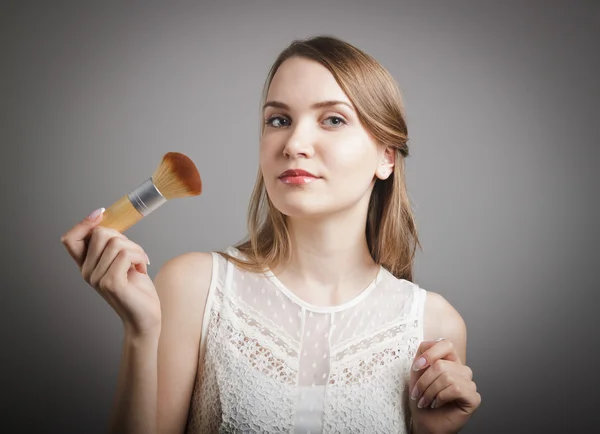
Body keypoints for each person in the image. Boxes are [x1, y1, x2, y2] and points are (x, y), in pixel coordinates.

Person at [61, 35, 481, 434]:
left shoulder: (434, 326)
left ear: (386, 156)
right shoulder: (193, 287)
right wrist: (141, 333)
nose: (294, 143)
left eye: (333, 119)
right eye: (278, 119)